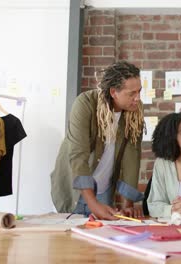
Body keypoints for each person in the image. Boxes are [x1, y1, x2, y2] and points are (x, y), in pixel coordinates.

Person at [50, 61, 144, 220]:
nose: (138, 98)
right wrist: (93, 205)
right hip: (77, 190)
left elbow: (132, 159)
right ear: (114, 92)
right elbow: (78, 156)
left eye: (139, 91)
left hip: (104, 191)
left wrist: (127, 205)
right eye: (132, 93)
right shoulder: (85, 104)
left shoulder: (135, 112)